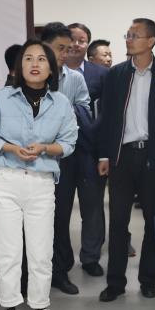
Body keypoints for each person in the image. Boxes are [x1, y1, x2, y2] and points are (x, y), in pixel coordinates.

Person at [0, 41, 78, 310]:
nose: (35, 64)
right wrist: (10, 148)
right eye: (28, 59)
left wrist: (45, 147)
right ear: (19, 67)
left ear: (51, 68)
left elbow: (69, 142)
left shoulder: (61, 103)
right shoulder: (2, 98)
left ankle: (40, 308)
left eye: (41, 59)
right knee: (8, 252)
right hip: (6, 181)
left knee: (41, 252)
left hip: (42, 183)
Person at [96, 18, 155, 301]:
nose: (128, 39)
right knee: (118, 221)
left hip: (154, 157)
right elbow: (106, 118)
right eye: (127, 34)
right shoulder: (116, 75)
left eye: (134, 35)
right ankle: (115, 283)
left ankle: (148, 279)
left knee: (152, 220)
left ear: (150, 41)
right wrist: (104, 154)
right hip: (122, 157)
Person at [39, 22, 91, 296]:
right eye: (60, 48)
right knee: (36, 218)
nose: (65, 54)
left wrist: (65, 111)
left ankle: (60, 271)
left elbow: (84, 109)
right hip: (34, 159)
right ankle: (33, 273)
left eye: (67, 49)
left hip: (64, 157)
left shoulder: (75, 78)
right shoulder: (30, 74)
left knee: (60, 217)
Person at [65, 22, 109, 278]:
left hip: (91, 151)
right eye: (72, 39)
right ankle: (61, 259)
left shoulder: (100, 74)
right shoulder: (52, 69)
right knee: (59, 208)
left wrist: (104, 151)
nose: (76, 44)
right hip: (59, 152)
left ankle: (91, 257)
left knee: (92, 207)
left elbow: (108, 114)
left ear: (87, 44)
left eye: (82, 40)